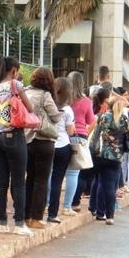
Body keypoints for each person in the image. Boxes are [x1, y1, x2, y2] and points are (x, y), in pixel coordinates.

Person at [0, 55, 34, 236]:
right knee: (19, 181)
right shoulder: (16, 85)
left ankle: (2, 223)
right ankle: (19, 223)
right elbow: (30, 109)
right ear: (13, 70)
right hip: (14, 136)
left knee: (1, 182)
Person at [24, 68, 61, 229]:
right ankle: (36, 218)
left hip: (27, 140)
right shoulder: (45, 95)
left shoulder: (25, 92)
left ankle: (25, 216)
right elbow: (56, 116)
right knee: (41, 181)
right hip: (44, 140)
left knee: (29, 179)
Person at [90, 98, 129, 225]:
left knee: (98, 181)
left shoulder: (104, 117)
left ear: (109, 106)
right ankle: (110, 216)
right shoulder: (124, 119)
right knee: (111, 187)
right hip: (116, 157)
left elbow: (96, 134)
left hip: (101, 155)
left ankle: (99, 211)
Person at [46, 77, 75, 223]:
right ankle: (52, 213)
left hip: (47, 143)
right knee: (57, 180)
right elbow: (70, 131)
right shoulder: (67, 109)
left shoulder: (47, 104)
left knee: (44, 178)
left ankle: (39, 208)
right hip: (63, 145)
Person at [68, 71, 96, 213]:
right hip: (80, 137)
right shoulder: (86, 101)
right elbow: (91, 121)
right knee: (75, 174)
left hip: (63, 137)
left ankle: (49, 203)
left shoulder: (63, 99)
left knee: (56, 172)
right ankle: (73, 203)